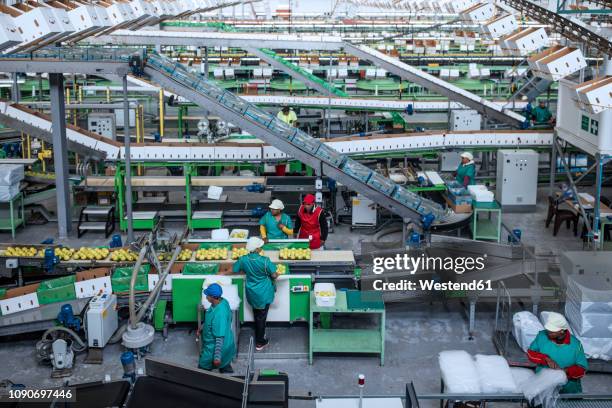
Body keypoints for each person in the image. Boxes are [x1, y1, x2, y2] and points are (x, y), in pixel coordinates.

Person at [232, 237, 278, 351]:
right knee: (261, 317)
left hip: (252, 292)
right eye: (260, 247)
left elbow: (235, 269)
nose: (261, 248)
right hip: (264, 292)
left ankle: (258, 330)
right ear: (257, 249)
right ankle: (260, 342)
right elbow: (274, 275)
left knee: (257, 313)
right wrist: (277, 274)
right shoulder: (265, 260)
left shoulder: (243, 259)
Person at [527, 312, 588, 393]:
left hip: (568, 388)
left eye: (552, 331)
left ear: (562, 331)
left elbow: (582, 369)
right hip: (543, 385)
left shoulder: (575, 345)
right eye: (548, 330)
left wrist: (565, 371)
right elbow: (530, 353)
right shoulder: (542, 336)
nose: (548, 332)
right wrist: (546, 359)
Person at [198, 283, 236, 373]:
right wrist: (203, 328)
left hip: (214, 348)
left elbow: (219, 339)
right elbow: (212, 319)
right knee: (225, 365)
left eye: (207, 295)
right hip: (227, 343)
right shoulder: (223, 302)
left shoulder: (219, 314)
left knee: (202, 369)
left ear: (213, 297)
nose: (206, 296)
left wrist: (217, 357)